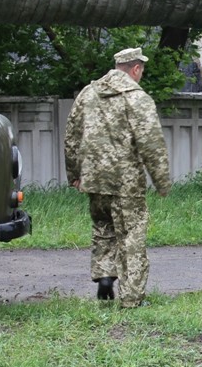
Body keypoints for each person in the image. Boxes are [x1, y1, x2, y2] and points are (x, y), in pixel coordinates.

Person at [64, 47, 171, 308]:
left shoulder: (88, 93)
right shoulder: (137, 98)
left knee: (103, 228)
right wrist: (161, 181)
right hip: (126, 183)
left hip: (94, 180)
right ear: (136, 69)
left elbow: (72, 136)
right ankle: (132, 299)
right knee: (131, 235)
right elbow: (152, 144)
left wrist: (74, 174)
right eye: (141, 71)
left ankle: (104, 277)